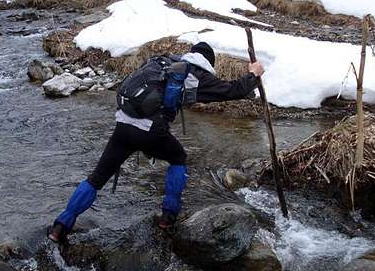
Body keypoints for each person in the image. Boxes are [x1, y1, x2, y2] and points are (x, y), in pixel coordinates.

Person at [48, 41, 265, 244]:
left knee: (97, 178)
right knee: (178, 157)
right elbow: (233, 91)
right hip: (150, 131)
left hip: (123, 125)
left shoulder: (162, 63)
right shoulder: (195, 75)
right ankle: (168, 216)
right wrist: (253, 75)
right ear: (208, 61)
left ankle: (60, 226)